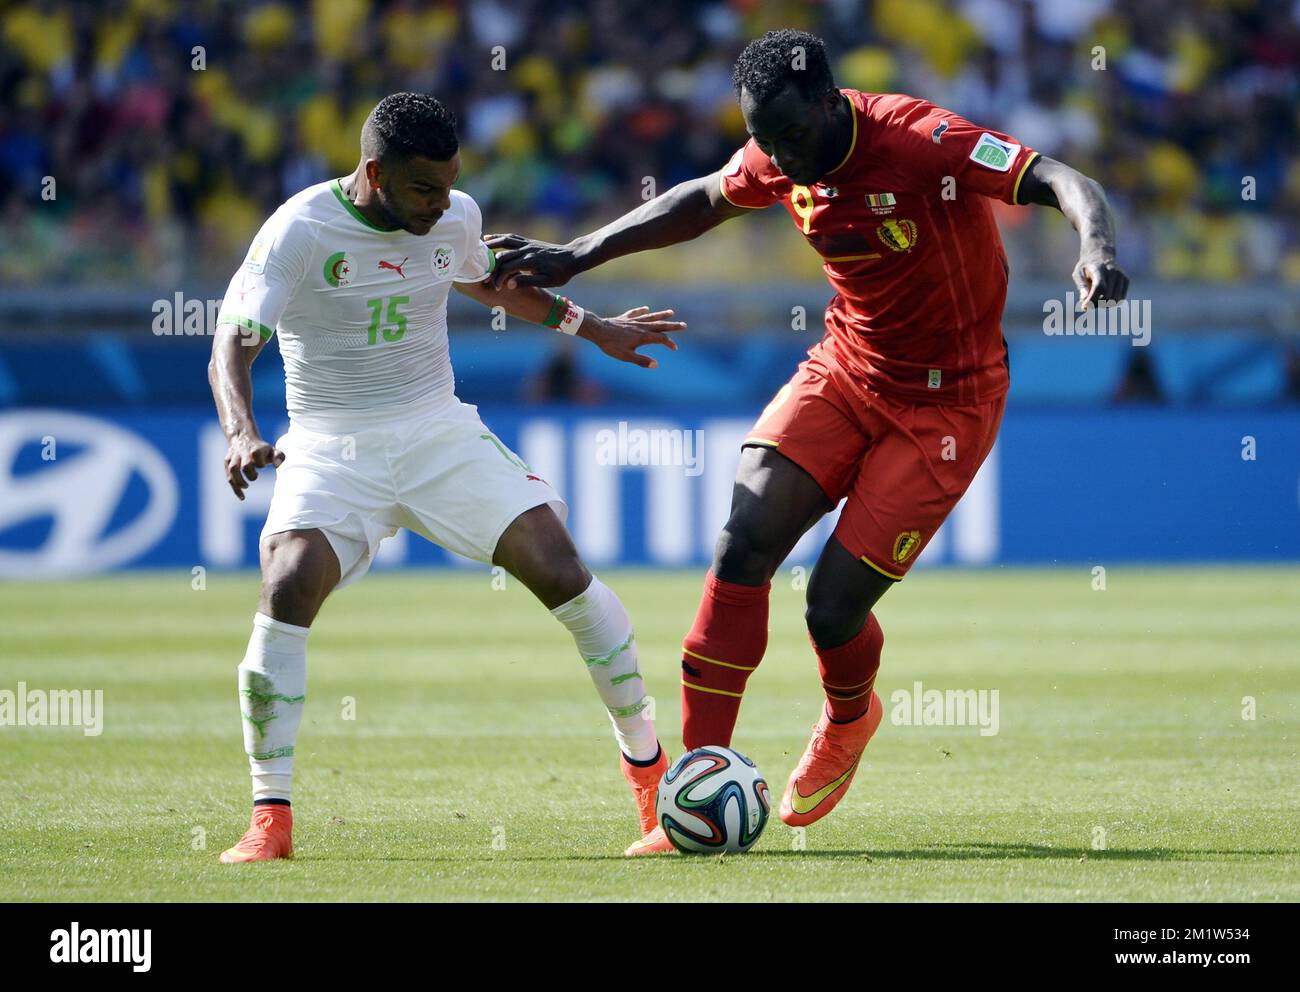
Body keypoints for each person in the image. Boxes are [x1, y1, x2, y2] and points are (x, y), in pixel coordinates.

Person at [489, 30, 1130, 855]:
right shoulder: (776, 152)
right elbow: (702, 199)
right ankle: (697, 786)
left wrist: (1097, 244)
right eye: (765, 137)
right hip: (848, 369)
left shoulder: (917, 138)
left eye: (792, 135)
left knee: (830, 609)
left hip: (949, 402)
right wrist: (581, 254)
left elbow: (1059, 178)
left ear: (832, 102)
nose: (781, 157)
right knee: (744, 536)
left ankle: (849, 715)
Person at [208, 92, 684, 862]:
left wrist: (599, 330)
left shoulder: (454, 215)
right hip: (332, 447)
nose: (443, 202)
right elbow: (231, 344)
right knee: (288, 582)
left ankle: (651, 782)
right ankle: (270, 820)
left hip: (437, 432)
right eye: (424, 188)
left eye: (451, 182)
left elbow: (494, 284)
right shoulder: (298, 230)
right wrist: (240, 433)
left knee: (562, 570)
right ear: (375, 173)